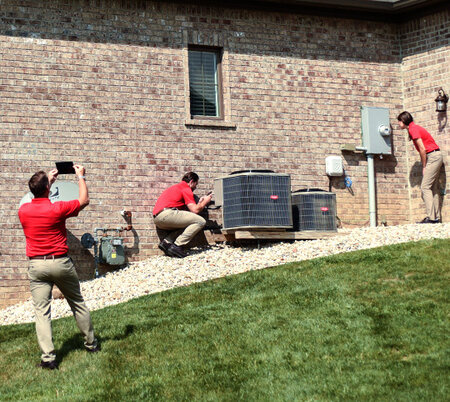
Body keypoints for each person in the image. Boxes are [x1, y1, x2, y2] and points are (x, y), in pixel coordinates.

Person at [18, 165, 99, 370]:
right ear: (47, 188)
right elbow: (84, 201)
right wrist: (80, 176)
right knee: (77, 303)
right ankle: (91, 345)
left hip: (37, 265)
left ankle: (48, 359)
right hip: (60, 262)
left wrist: (47, 181)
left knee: (42, 312)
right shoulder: (58, 208)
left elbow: (32, 195)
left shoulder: (24, 209)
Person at [153, 172, 213, 258]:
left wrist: (200, 202)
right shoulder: (186, 188)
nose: (195, 187)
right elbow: (195, 210)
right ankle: (177, 245)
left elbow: (189, 215)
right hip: (168, 214)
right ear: (192, 181)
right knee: (201, 221)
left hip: (158, 219)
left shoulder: (176, 187)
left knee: (188, 223)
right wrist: (205, 202)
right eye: (196, 184)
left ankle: (166, 242)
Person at [397, 111, 443, 223]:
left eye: (399, 121)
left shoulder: (413, 129)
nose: (398, 124)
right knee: (433, 187)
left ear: (403, 121)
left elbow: (422, 149)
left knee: (425, 187)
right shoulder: (414, 128)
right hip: (436, 155)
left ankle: (432, 218)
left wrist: (424, 166)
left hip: (433, 156)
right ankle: (436, 218)